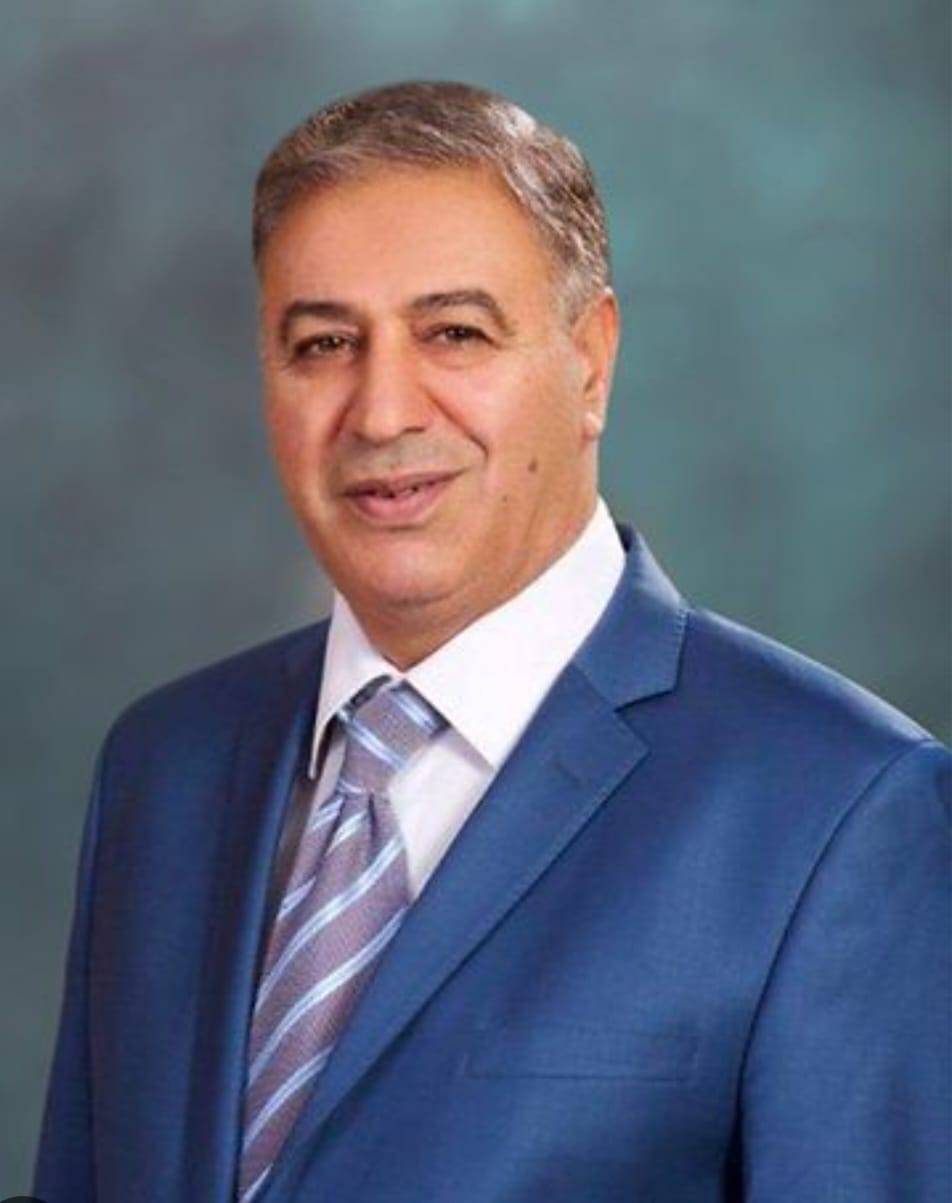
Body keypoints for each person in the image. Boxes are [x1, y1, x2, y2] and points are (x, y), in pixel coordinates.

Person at [34, 80, 949, 1203]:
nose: (381, 412)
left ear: (590, 362)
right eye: (324, 343)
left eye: (454, 333)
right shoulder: (163, 767)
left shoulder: (841, 808)